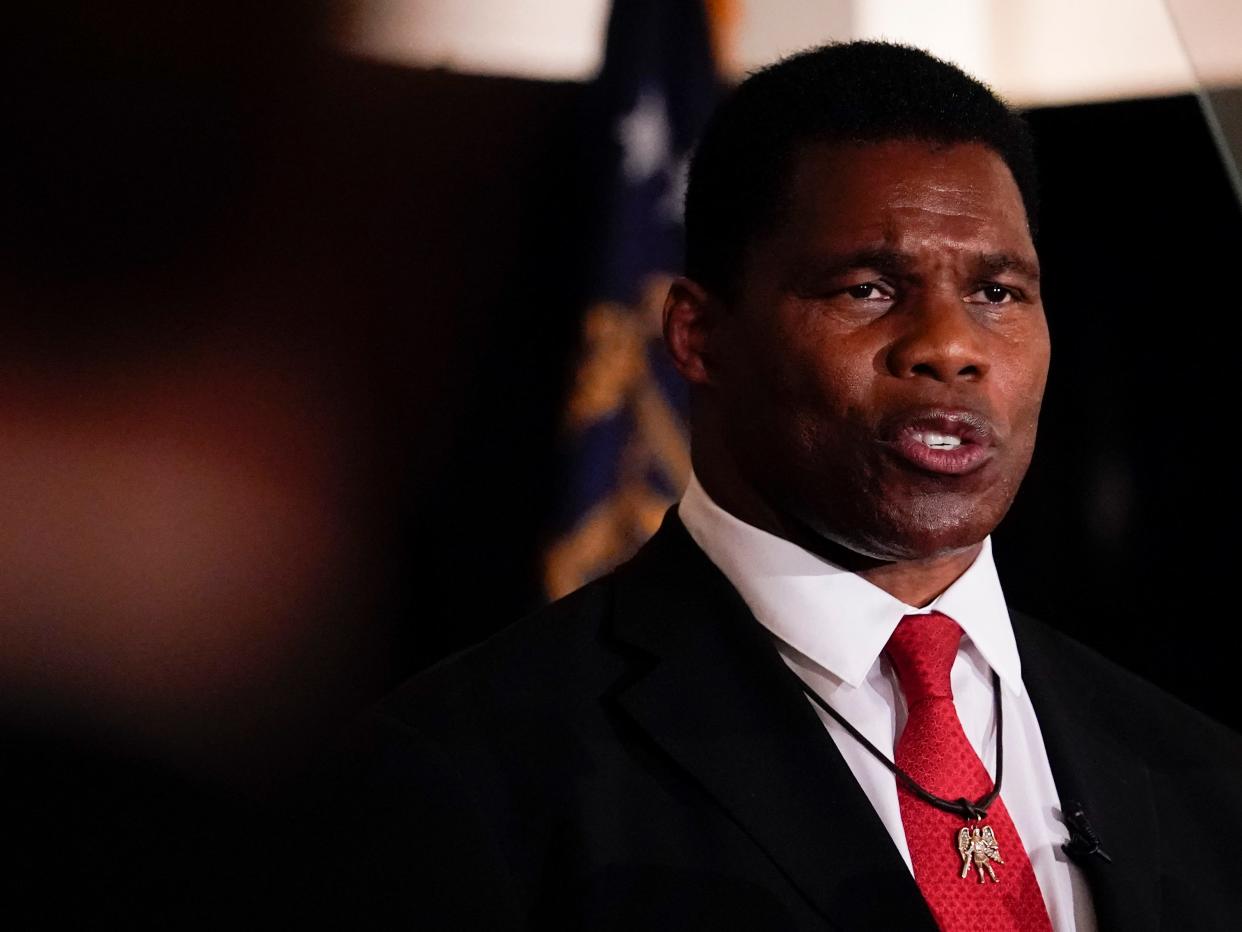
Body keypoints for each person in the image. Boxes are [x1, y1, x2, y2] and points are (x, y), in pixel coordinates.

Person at [348, 42, 1242, 930]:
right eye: (867, 288)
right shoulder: (473, 773)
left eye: (998, 293)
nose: (950, 346)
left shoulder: (1203, 777)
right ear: (698, 336)